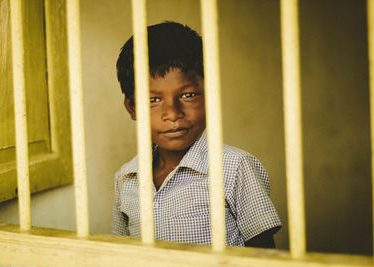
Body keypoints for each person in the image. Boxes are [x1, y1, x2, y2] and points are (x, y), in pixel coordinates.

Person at [112, 21, 281, 248]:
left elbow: (263, 256)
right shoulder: (126, 178)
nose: (172, 113)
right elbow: (121, 253)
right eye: (153, 100)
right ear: (132, 108)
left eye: (188, 95)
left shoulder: (234, 168)